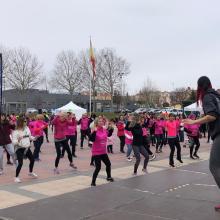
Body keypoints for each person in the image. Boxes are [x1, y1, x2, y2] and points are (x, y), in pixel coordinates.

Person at [183, 76, 220, 211]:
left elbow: (212, 115)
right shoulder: (217, 95)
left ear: (199, 87)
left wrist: (193, 122)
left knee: (214, 167)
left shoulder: (207, 97)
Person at [12, 117, 37, 183]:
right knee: (20, 163)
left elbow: (29, 136)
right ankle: (16, 177)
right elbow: (13, 142)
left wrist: (34, 138)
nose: (26, 122)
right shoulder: (15, 132)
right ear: (21, 123)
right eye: (24, 121)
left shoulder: (27, 128)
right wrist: (18, 140)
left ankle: (30, 172)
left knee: (32, 160)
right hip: (19, 148)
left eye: (26, 121)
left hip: (26, 148)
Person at [90, 118, 114, 186]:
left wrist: (111, 128)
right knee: (98, 167)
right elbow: (92, 139)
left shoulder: (104, 130)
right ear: (96, 123)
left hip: (103, 151)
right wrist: (94, 131)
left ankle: (108, 177)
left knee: (108, 164)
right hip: (96, 152)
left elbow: (109, 135)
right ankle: (93, 182)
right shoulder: (95, 130)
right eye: (99, 121)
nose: (101, 122)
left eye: (102, 121)